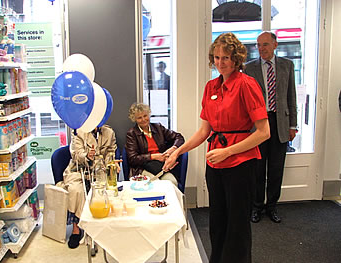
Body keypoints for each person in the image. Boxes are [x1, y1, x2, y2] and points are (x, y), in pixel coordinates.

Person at [163, 32, 270, 263]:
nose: (220, 63)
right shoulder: (211, 86)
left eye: (226, 58)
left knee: (237, 225)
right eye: (217, 57)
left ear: (236, 59)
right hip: (215, 163)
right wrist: (177, 151)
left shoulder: (247, 85)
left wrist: (228, 151)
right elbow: (204, 131)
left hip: (241, 163)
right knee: (218, 221)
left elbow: (264, 132)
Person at [244, 31, 298, 224]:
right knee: (258, 169)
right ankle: (256, 206)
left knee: (276, 169)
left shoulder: (287, 66)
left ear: (275, 45)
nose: (261, 49)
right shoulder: (249, 68)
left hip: (280, 123)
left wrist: (293, 125)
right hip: (258, 124)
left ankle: (272, 207)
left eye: (265, 44)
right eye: (258, 45)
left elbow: (291, 96)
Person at [58, 125, 119, 249]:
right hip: (79, 170)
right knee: (76, 191)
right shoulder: (78, 132)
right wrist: (87, 155)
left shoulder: (109, 132)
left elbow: (111, 152)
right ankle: (77, 229)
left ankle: (99, 229)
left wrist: (112, 163)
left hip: (100, 170)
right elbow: (76, 155)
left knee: (104, 191)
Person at [125, 102, 184, 185]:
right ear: (134, 119)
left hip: (161, 166)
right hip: (143, 168)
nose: (143, 119)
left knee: (172, 182)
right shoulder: (132, 134)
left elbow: (179, 137)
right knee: (156, 184)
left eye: (145, 116)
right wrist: (153, 156)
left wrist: (173, 148)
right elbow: (132, 159)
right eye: (139, 118)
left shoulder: (158, 127)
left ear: (149, 115)